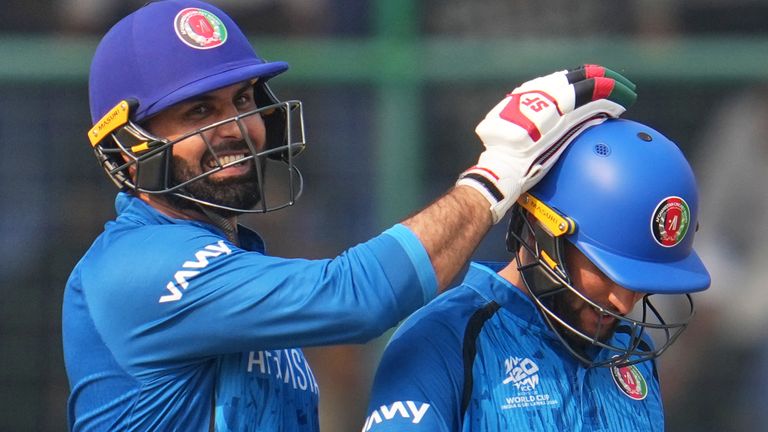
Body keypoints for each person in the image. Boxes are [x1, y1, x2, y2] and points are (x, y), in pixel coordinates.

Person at [61, 0, 637, 430]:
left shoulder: (233, 262)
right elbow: (355, 298)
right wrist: (496, 175)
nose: (234, 128)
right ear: (127, 149)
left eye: (242, 100)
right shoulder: (136, 267)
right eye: (198, 112)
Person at [362, 118, 711, 431]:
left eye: (641, 282)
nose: (623, 303)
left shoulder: (629, 352)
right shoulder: (443, 339)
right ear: (543, 233)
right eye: (607, 272)